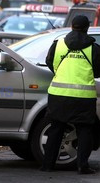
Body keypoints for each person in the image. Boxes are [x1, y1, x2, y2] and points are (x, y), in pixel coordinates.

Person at [41, 15, 100, 174]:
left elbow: (50, 63)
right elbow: (98, 71)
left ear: (72, 26)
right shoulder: (94, 48)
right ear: (87, 27)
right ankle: (82, 166)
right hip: (83, 97)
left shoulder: (58, 44)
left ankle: (47, 165)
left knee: (56, 129)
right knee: (84, 131)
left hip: (58, 95)